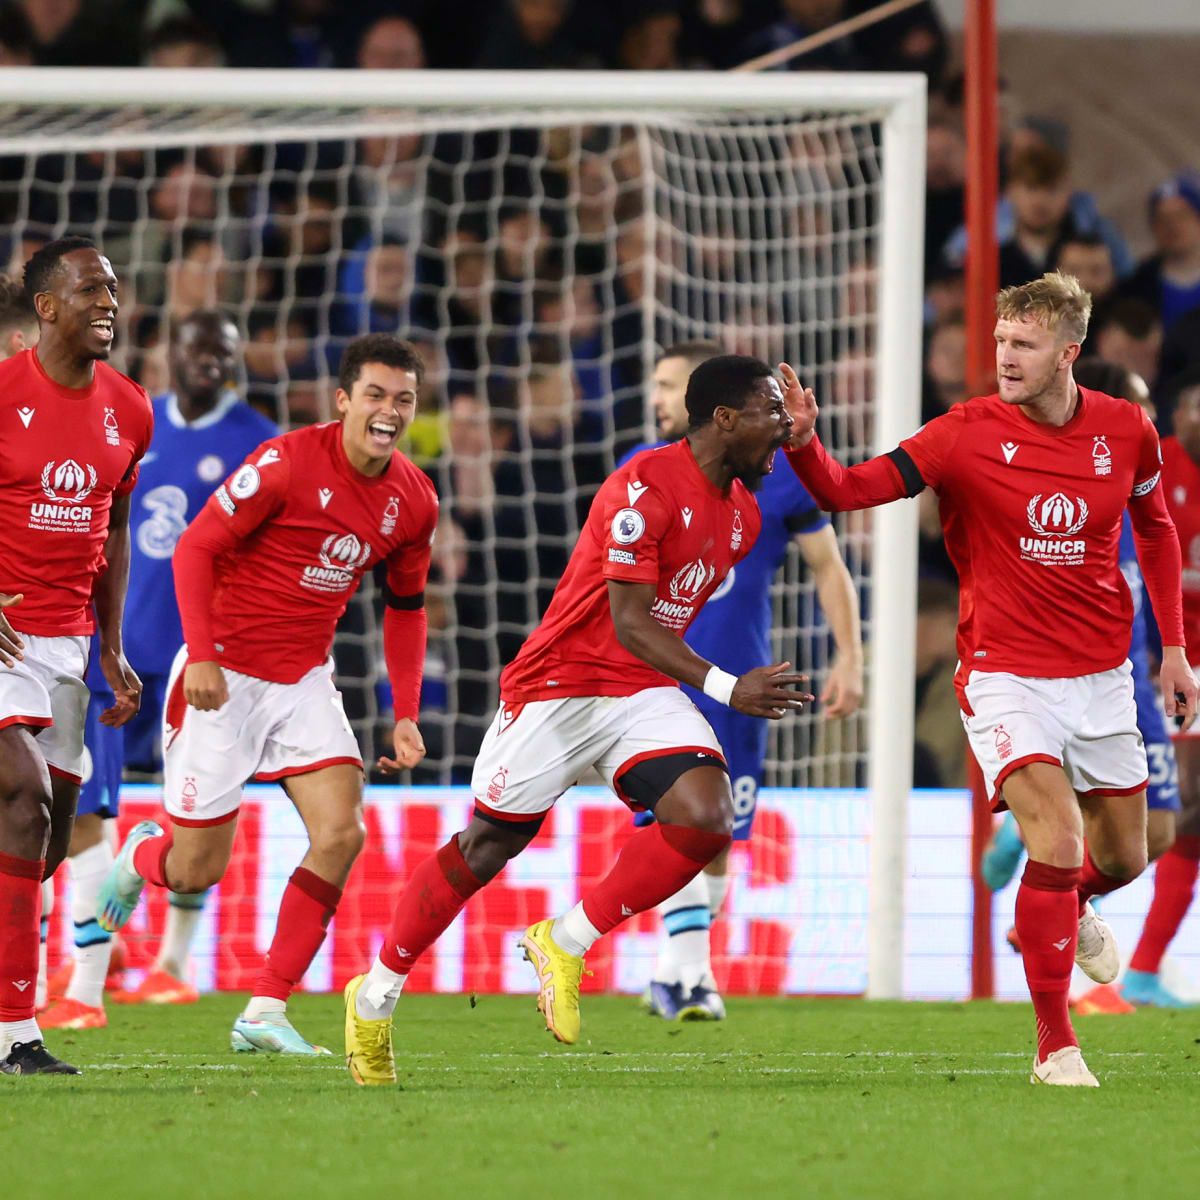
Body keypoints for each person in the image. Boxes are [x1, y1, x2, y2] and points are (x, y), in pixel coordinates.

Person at [343, 355, 811, 1086]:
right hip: (558, 686)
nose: (784, 431)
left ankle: (564, 940)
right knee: (486, 847)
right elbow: (629, 620)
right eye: (772, 414)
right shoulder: (643, 488)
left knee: (706, 815)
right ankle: (373, 998)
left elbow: (654, 632)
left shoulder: (745, 515)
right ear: (725, 420)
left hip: (638, 693)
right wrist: (724, 686)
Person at [782, 272, 1197, 1087]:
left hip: (1105, 676)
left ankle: (1069, 904)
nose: (1004, 357)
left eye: (1024, 344)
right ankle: (1055, 1045)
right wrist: (805, 443)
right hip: (1006, 675)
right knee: (1059, 841)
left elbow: (1154, 526)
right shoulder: (963, 433)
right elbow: (848, 489)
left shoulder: (1126, 430)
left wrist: (1174, 650)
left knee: (1127, 857)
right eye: (1001, 340)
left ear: (1068, 352)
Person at [96, 334, 438, 1055]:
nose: (389, 412)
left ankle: (265, 1011)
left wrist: (405, 711)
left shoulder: (413, 499)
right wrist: (207, 658)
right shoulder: (286, 462)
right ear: (344, 400)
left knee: (343, 834)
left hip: (305, 680)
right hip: (221, 676)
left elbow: (405, 608)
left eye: (402, 399)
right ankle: (138, 861)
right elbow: (195, 548)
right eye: (375, 395)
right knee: (196, 869)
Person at [619, 342, 862, 1020]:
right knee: (672, 824)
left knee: (721, 831)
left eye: (669, 385)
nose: (658, 398)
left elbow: (827, 565)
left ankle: (681, 972)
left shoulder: (775, 474)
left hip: (737, 681)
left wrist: (851, 656)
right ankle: (686, 974)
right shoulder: (637, 473)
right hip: (654, 679)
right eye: (656, 384)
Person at [979, 361, 1187, 1015]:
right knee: (1071, 835)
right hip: (1053, 684)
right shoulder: (1060, 498)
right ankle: (1057, 955)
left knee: (1159, 833)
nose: (1146, 423)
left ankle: (1062, 899)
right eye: (1136, 408)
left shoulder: (1137, 496)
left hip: (1128, 688)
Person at [0, 236, 151, 1075]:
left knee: (45, 841)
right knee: (20, 801)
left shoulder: (129, 408)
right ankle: (17, 1036)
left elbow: (115, 527)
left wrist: (115, 648)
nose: (109, 303)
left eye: (115, 290)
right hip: (2, 634)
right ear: (46, 308)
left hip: (67, 644)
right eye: (91, 290)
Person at [117, 309, 277, 1005]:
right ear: (169, 352)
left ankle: (173, 966)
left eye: (224, 349)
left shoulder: (260, 442)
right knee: (84, 798)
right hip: (119, 646)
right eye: (198, 345)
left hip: (205, 655)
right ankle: (97, 946)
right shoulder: (134, 422)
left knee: (197, 804)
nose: (211, 359)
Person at [1123, 365, 1200, 1006]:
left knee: (1189, 827)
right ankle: (1064, 903)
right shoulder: (1154, 464)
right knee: (1181, 809)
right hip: (1176, 666)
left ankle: (1145, 971)